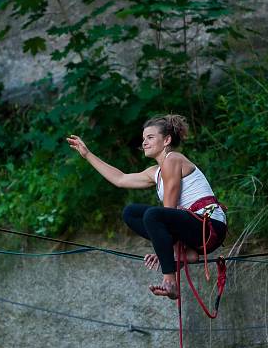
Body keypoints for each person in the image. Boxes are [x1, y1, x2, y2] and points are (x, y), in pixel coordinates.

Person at [66, 114, 227, 299]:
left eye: (150, 138)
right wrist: (87, 155)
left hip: (210, 227)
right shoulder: (154, 172)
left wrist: (162, 249)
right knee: (131, 212)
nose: (144, 143)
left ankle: (170, 281)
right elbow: (120, 179)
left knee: (153, 215)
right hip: (192, 229)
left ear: (166, 140)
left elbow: (168, 211)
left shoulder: (173, 159)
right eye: (143, 139)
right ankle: (183, 253)